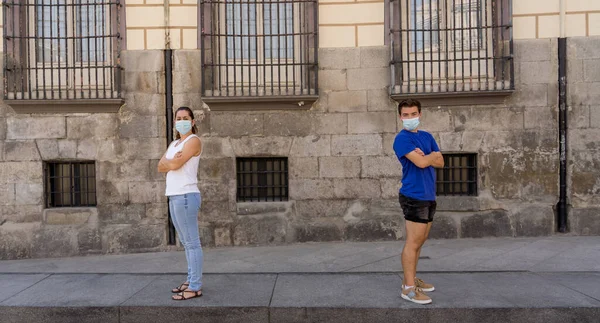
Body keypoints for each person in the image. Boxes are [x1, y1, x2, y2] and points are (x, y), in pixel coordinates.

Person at [393, 99, 444, 305]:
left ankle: (412, 278)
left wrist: (429, 156)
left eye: (413, 114)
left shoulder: (426, 136)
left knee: (420, 241)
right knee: (413, 242)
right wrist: (430, 157)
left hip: (428, 195)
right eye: (405, 115)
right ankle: (408, 288)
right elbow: (422, 162)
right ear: (400, 117)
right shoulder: (402, 139)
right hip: (413, 196)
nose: (409, 118)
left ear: (420, 114)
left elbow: (440, 161)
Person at [158, 106, 204, 301]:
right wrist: (171, 162)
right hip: (175, 196)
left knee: (192, 243)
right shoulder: (175, 143)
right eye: (178, 118)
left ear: (192, 122)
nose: (181, 121)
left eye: (186, 118)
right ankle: (191, 279)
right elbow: (159, 166)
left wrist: (171, 163)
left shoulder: (194, 141)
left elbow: (173, 165)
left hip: (186, 196)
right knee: (186, 243)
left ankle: (195, 286)